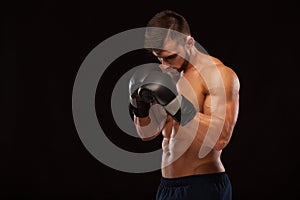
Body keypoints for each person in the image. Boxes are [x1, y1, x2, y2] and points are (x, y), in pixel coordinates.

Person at [128, 10, 240, 200]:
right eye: (159, 58)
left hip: (203, 186)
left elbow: (220, 138)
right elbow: (148, 134)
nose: (164, 65)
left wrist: (175, 104)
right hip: (167, 187)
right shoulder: (167, 75)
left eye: (171, 57)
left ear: (189, 42)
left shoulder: (217, 75)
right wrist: (140, 108)